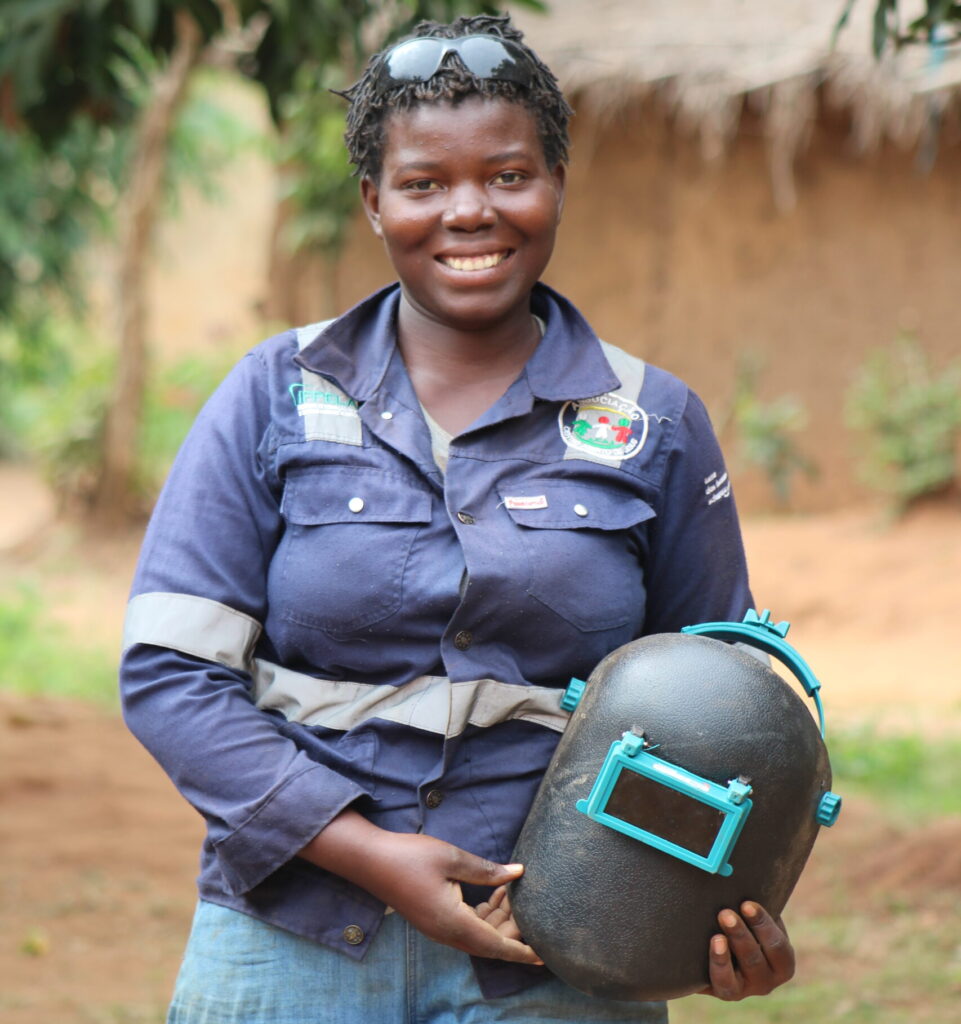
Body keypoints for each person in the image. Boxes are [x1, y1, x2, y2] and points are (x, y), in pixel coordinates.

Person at [120, 13, 795, 1023]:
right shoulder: (274, 392)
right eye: (424, 184)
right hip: (288, 928)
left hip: (553, 950)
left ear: (557, 184)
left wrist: (714, 919)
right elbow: (170, 672)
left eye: (508, 175)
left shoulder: (652, 421)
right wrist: (369, 854)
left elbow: (723, 714)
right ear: (373, 202)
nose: (469, 211)